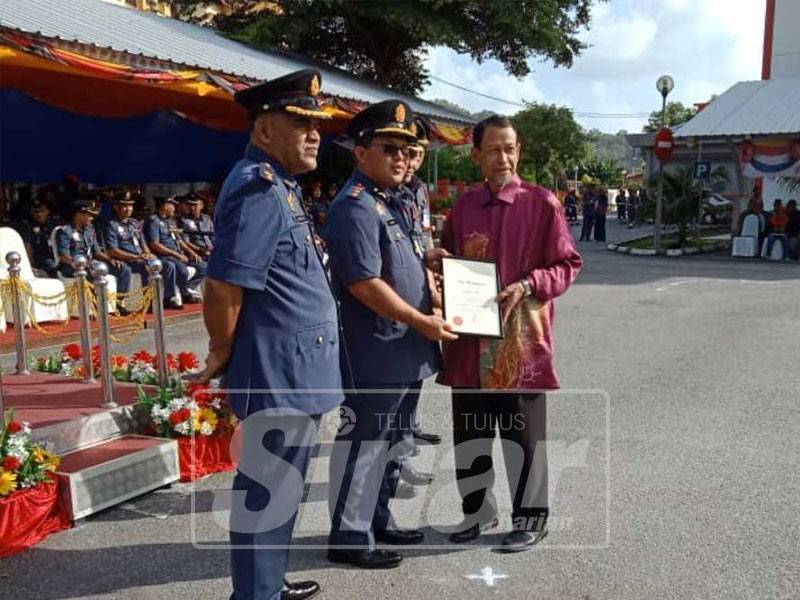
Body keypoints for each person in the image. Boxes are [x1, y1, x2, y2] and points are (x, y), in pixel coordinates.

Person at [189, 69, 341, 600]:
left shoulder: (283, 185)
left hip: (295, 369)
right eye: (300, 121)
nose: (314, 132)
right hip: (278, 371)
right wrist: (222, 349)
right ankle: (256, 594)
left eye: (316, 123)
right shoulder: (259, 187)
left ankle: (267, 585)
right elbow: (224, 283)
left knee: (282, 487)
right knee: (267, 489)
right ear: (263, 129)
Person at [439, 114, 582, 552]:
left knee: (523, 435)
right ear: (476, 154)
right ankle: (477, 511)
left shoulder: (543, 204)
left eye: (511, 148)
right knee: (472, 432)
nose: (504, 157)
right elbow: (450, 259)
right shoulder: (463, 207)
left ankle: (531, 518)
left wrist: (529, 284)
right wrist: (439, 266)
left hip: (520, 342)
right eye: (495, 149)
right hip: (469, 343)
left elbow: (568, 265)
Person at [325, 100, 454, 569]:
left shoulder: (393, 201)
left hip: (409, 346)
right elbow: (364, 283)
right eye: (389, 148)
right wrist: (421, 319)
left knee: (396, 439)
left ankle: (376, 517)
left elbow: (411, 265)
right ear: (361, 153)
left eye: (407, 149)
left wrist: (436, 291)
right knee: (366, 441)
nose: (401, 157)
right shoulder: (356, 207)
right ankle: (349, 533)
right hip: (377, 348)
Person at [392, 115, 442, 473]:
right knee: (393, 388)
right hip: (395, 304)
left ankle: (407, 433)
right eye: (407, 152)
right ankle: (399, 450)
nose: (411, 160)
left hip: (420, 292)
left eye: (418, 152)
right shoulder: (386, 191)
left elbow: (422, 240)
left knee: (414, 377)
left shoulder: (418, 190)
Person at [103, 192, 182, 310]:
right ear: (116, 207)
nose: (128, 209)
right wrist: (134, 257)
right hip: (128, 259)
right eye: (124, 206)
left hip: (141, 257)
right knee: (146, 268)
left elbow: (142, 242)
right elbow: (112, 250)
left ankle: (168, 298)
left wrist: (148, 253)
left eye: (130, 206)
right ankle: (147, 301)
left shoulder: (133, 223)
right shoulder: (111, 225)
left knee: (169, 265)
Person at [56, 198, 132, 315]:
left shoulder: (90, 229)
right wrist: (79, 264)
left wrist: (111, 259)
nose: (91, 218)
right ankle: (98, 308)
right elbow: (63, 256)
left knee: (123, 269)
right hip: (72, 266)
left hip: (91, 263)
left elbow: (97, 252)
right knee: (92, 273)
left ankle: (118, 303)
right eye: (89, 215)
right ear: (79, 215)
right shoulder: (65, 231)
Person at [145, 196, 205, 303]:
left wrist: (191, 253)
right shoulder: (153, 221)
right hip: (165, 256)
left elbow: (180, 241)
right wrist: (176, 255)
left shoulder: (171, 221)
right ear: (164, 206)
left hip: (179, 255)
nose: (174, 208)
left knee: (203, 267)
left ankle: (186, 289)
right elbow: (154, 244)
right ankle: (177, 295)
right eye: (172, 205)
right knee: (181, 270)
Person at [20, 201, 59, 277]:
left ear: (48, 211)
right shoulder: (30, 227)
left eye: (42, 211)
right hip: (42, 259)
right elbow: (28, 246)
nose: (39, 214)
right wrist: (30, 264)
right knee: (52, 267)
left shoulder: (54, 225)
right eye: (36, 212)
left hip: (57, 256)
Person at [179, 193, 215, 260]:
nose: (192, 208)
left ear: (201, 206)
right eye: (190, 205)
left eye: (195, 205)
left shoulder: (207, 219)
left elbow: (213, 237)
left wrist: (214, 248)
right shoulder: (184, 221)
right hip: (198, 254)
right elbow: (186, 242)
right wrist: (201, 250)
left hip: (212, 252)